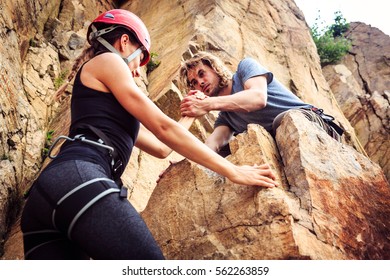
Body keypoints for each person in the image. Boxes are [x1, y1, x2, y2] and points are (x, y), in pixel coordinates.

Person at [20, 9, 278, 260]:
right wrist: (233, 171)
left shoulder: (109, 107)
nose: (135, 72)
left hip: (46, 200)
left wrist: (191, 112)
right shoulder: (108, 62)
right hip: (79, 178)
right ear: (124, 42)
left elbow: (161, 147)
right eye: (138, 60)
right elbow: (164, 128)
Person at [179, 52, 344, 156]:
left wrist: (207, 104)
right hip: (289, 146)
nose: (200, 82)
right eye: (194, 82)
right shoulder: (225, 117)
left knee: (284, 120)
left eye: (202, 74)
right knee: (225, 152)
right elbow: (211, 145)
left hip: (314, 124)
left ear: (214, 68)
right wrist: (185, 166)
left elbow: (257, 98)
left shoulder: (245, 69)